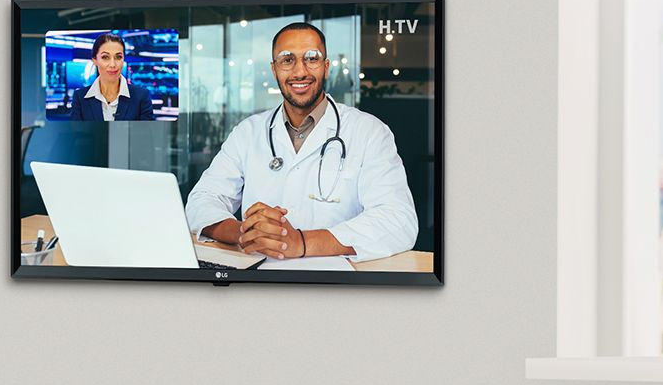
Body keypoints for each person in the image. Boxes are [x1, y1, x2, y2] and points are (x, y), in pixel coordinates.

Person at [183, 22, 419, 261]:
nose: (299, 72)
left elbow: (398, 220)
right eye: (287, 60)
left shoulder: (369, 132)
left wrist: (302, 242)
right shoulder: (248, 132)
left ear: (326, 67)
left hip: (333, 278)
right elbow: (202, 200)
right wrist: (247, 232)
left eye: (311, 58)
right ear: (274, 69)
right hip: (258, 276)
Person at [67, 33, 155, 121]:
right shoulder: (80, 97)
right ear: (95, 60)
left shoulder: (141, 96)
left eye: (118, 57)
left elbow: (148, 129)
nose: (113, 64)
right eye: (105, 57)